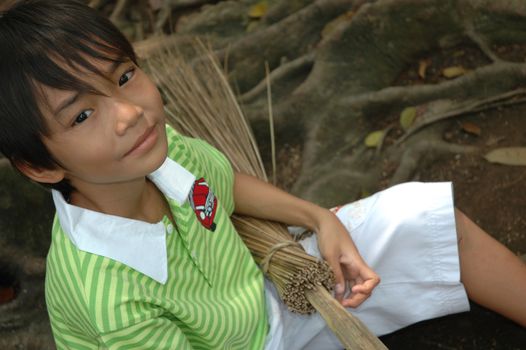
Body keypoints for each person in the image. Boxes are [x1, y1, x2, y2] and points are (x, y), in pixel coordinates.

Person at [0, 1, 524, 349]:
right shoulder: (109, 299)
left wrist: (319, 220)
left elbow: (221, 183)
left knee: (425, 221)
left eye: (124, 76)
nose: (129, 112)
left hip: (268, 304)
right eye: (83, 115)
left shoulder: (155, 152)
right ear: (41, 166)